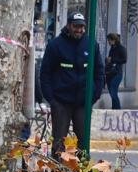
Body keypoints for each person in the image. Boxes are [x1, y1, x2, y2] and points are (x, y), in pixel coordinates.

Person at [39, 11, 105, 159]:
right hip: (61, 101)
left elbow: (99, 72)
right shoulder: (55, 45)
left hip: (83, 102)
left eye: (82, 27)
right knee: (59, 141)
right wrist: (52, 99)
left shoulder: (91, 44)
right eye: (76, 26)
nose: (79, 30)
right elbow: (45, 74)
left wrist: (94, 95)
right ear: (69, 26)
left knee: (83, 140)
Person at [104, 33, 127, 110]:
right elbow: (110, 60)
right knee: (111, 92)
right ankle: (114, 108)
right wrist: (107, 61)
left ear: (114, 40)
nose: (108, 42)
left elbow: (124, 60)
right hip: (110, 73)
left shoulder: (121, 48)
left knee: (113, 91)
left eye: (109, 40)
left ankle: (117, 109)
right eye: (108, 40)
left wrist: (113, 60)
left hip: (117, 73)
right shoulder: (112, 49)